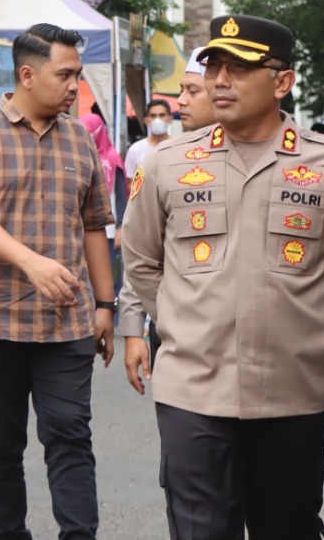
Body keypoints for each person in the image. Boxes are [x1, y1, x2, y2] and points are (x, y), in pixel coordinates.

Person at [122, 15, 324, 539]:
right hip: (194, 393)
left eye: (239, 68)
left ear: (282, 81)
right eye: (214, 66)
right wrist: (186, 323)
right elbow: (142, 261)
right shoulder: (168, 163)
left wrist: (309, 319)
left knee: (286, 528)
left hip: (295, 391)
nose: (220, 80)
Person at [0, 23, 116, 540]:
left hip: (67, 323)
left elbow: (94, 224)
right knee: (0, 445)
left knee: (70, 437)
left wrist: (105, 304)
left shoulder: (80, 139)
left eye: (77, 75)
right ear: (27, 74)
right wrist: (30, 262)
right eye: (64, 75)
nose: (74, 86)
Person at [121, 49, 214, 396]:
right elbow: (141, 253)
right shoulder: (163, 161)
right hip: (178, 335)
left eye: (193, 91)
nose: (181, 101)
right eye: (181, 90)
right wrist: (135, 328)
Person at [81, 113, 126, 269]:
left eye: (89, 131)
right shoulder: (79, 156)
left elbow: (121, 196)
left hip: (108, 229)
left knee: (104, 273)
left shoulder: (112, 159)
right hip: (80, 228)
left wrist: (120, 227)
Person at [124, 99, 174, 183]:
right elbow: (130, 183)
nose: (157, 120)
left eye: (162, 115)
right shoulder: (135, 150)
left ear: (170, 119)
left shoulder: (179, 147)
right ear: (146, 121)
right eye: (153, 116)